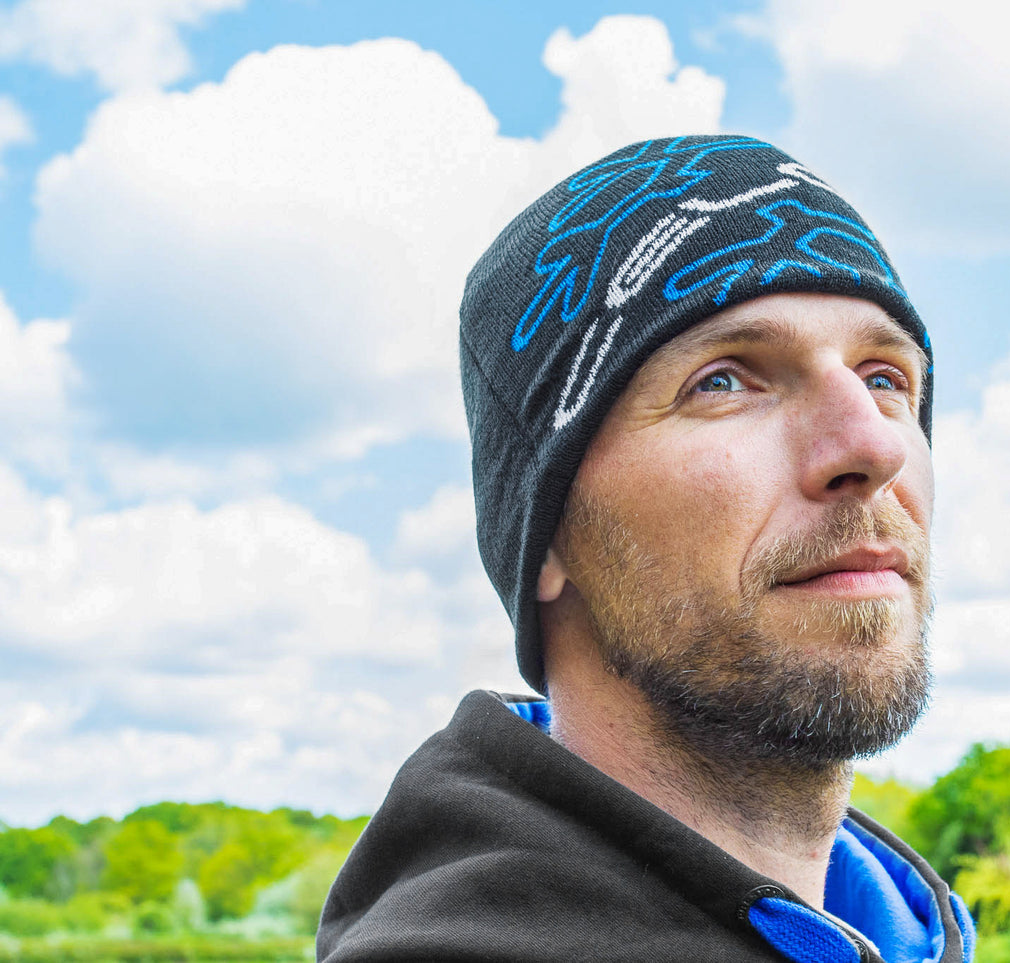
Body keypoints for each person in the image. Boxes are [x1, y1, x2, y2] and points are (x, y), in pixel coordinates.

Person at [317, 135, 975, 963]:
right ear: (544, 533)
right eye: (723, 380)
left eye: (884, 378)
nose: (873, 445)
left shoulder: (904, 930)